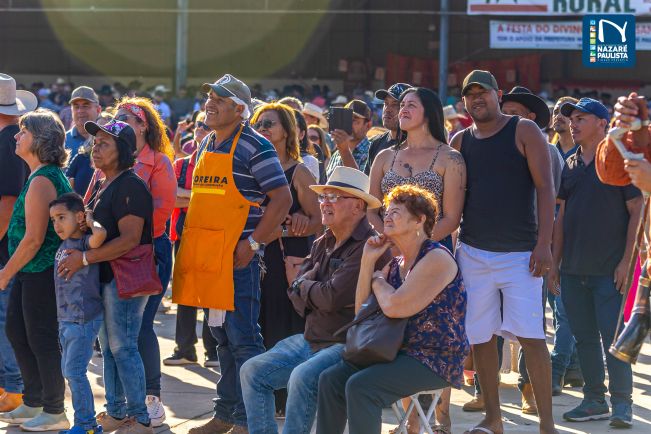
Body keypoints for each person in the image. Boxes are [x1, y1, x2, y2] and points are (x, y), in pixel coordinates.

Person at [175, 74, 292, 434]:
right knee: (221, 339)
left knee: (243, 340)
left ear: (240, 109)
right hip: (209, 259)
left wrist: (253, 243)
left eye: (219, 99)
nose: (209, 104)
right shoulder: (208, 142)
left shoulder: (255, 146)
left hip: (238, 261)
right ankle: (226, 414)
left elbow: (282, 199)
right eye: (209, 97)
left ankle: (250, 420)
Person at [240, 166, 390, 434]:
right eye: (323, 197)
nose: (324, 203)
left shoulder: (369, 245)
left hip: (346, 344)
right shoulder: (324, 240)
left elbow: (329, 297)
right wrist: (308, 288)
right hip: (313, 338)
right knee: (252, 371)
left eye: (334, 197)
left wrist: (304, 285)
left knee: (301, 378)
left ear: (357, 206)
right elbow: (295, 294)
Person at [451, 70, 557, 434]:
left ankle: (547, 426)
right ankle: (493, 418)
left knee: (532, 338)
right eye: (470, 94)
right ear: (463, 102)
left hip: (520, 254)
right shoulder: (460, 141)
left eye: (483, 92)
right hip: (473, 253)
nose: (477, 98)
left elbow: (546, 189)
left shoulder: (524, 131)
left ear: (498, 95)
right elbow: (455, 201)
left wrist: (544, 243)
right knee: (481, 337)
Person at [316, 184, 469, 434]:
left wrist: (377, 280)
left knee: (361, 387)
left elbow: (394, 307)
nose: (386, 216)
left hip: (435, 358)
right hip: (395, 352)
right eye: (386, 212)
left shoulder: (436, 257)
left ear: (419, 220)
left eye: (395, 212)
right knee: (330, 379)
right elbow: (361, 313)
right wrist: (368, 260)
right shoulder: (396, 264)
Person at [548, 98, 642, 429]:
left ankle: (622, 404)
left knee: (614, 340)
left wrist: (627, 262)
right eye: (571, 118)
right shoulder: (570, 163)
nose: (572, 124)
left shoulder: (619, 160)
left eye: (581, 118)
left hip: (609, 270)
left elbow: (637, 211)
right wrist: (555, 262)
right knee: (585, 338)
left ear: (603, 123)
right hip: (573, 270)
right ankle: (593, 400)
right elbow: (561, 215)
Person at [60, 119, 155, 434]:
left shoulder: (131, 185)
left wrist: (85, 258)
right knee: (110, 348)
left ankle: (140, 418)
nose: (95, 148)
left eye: (104, 143)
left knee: (123, 347)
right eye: (95, 142)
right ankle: (116, 412)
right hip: (106, 277)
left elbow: (129, 239)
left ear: (123, 150)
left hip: (124, 279)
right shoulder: (104, 183)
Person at [105, 97, 176, 426]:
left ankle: (151, 398)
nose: (117, 121)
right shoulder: (111, 160)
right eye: (115, 116)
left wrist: (126, 236)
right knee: (115, 334)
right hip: (113, 251)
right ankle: (120, 404)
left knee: (140, 327)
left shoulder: (159, 162)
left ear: (144, 126)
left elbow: (161, 212)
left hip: (147, 252)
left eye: (126, 117)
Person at [0, 109, 71, 431]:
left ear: (40, 140)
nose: (16, 136)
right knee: (18, 331)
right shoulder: (38, 175)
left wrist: (5, 273)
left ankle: (54, 410)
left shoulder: (43, 180)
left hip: (40, 271)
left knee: (41, 338)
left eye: (24, 132)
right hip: (30, 271)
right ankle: (33, 401)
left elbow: (33, 239)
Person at [249, 102, 322, 417]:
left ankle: (286, 398)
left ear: (287, 131)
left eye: (269, 124)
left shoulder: (299, 171)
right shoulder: (251, 169)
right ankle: (262, 394)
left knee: (283, 325)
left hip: (285, 260)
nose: (262, 129)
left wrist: (292, 226)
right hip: (251, 256)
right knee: (259, 324)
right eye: (259, 124)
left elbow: (319, 220)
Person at [500, 86, 567, 408]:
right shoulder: (486, 143)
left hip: (529, 248)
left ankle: (528, 388)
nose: (507, 118)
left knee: (530, 322)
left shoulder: (548, 152)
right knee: (487, 322)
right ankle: (484, 390)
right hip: (489, 245)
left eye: (514, 113)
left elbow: (555, 202)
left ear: (530, 117)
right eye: (505, 112)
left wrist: (545, 245)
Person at [49, 193, 106, 434]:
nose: (57, 224)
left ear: (79, 216)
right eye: (53, 220)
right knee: (70, 372)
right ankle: (85, 423)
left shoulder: (83, 243)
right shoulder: (63, 245)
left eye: (62, 217)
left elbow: (101, 235)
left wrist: (90, 220)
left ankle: (86, 425)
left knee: (74, 372)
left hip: (82, 318)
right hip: (66, 319)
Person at [164, 113, 218, 368]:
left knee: (210, 294)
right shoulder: (182, 164)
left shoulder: (219, 162)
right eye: (198, 125)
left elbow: (218, 198)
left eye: (206, 126)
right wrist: (200, 194)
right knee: (184, 292)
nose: (200, 129)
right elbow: (171, 198)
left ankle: (213, 350)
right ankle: (184, 349)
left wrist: (188, 195)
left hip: (212, 233)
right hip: (184, 233)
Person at [0, 73, 31, 413]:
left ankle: (13, 389)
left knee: (4, 319)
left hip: (5, 250)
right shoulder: (9, 138)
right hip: (8, 248)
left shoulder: (7, 141)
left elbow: (8, 203)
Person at [365, 83, 412, 175]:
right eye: (386, 103)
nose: (387, 109)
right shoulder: (376, 144)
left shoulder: (417, 145)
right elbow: (366, 181)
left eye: (395, 104)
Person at [67, 111, 113, 196]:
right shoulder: (81, 157)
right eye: (97, 129)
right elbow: (66, 184)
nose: (100, 134)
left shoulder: (115, 164)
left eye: (105, 130)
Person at [325, 100, 372, 178]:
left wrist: (344, 151)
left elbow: (360, 183)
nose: (348, 124)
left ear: (368, 125)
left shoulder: (372, 152)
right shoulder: (336, 154)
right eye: (346, 119)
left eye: (354, 120)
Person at [64, 86, 102, 159]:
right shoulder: (63, 142)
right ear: (71, 111)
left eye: (85, 106)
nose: (80, 111)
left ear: (98, 110)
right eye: (76, 107)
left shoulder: (108, 140)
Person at [552, 96, 580, 161]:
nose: (558, 116)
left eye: (565, 112)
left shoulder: (589, 154)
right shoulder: (546, 151)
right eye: (556, 112)